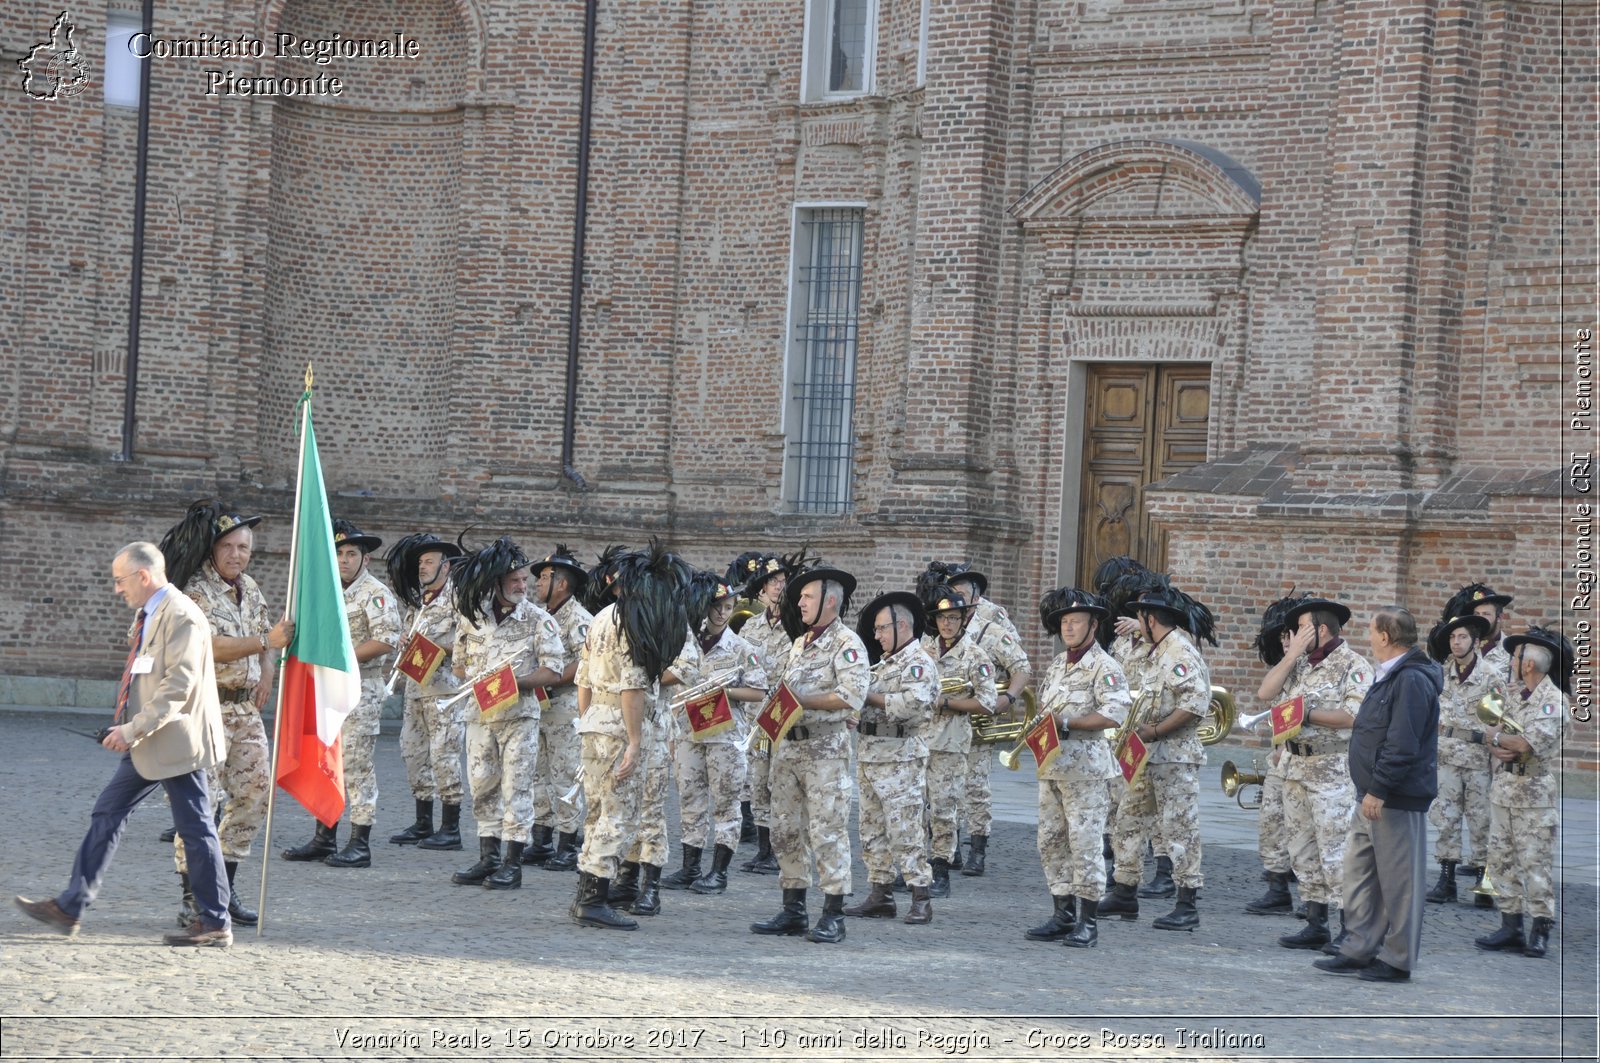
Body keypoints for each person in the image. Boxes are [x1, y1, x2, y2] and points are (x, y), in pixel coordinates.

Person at [15, 543, 234, 946]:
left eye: (120, 580)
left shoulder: (181, 615)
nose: (117, 589)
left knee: (197, 828)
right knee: (108, 812)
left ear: (144, 576)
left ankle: (216, 922)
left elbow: (178, 688)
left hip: (175, 743)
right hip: (151, 740)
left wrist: (131, 731)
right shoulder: (149, 614)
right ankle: (70, 907)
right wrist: (129, 728)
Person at [156, 501, 294, 928]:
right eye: (229, 547)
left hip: (243, 707)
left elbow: (266, 636)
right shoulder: (194, 591)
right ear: (212, 549)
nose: (237, 555)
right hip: (203, 707)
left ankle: (224, 889)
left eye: (244, 548)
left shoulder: (249, 588)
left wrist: (267, 672)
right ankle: (194, 897)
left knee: (254, 795)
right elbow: (209, 646)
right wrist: (262, 644)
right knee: (200, 805)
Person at [1313, 605, 1441, 983]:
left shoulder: (1411, 679)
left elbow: (1403, 743)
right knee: (1360, 876)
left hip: (1392, 799)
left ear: (1385, 637)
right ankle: (1359, 948)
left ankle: (1397, 960)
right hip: (1368, 795)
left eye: (1371, 631)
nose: (1368, 637)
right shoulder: (1390, 675)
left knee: (1399, 885)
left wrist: (1379, 790)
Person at [570, 544, 692, 929]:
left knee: (595, 812)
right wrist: (635, 740)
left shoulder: (601, 617)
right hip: (623, 723)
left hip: (596, 722)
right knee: (618, 815)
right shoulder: (635, 619)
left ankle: (585, 892)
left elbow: (583, 680)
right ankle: (595, 899)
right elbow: (633, 688)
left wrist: (587, 720)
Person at [750, 562, 870, 944]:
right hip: (788, 749)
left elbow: (851, 696)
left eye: (807, 596)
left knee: (827, 831)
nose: (798, 602)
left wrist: (803, 700)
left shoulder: (848, 644)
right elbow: (784, 692)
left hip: (825, 752)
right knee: (785, 829)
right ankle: (793, 909)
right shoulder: (800, 643)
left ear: (830, 602)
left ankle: (833, 913)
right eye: (799, 596)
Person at [448, 537, 566, 889]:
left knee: (517, 788)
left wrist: (518, 681)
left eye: (525, 581)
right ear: (497, 581)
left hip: (520, 716)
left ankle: (513, 863)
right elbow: (457, 666)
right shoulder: (472, 617)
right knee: (482, 785)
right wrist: (481, 679)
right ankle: (488, 858)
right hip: (479, 714)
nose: (522, 586)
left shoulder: (538, 620)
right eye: (514, 580)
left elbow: (554, 670)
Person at [281, 519, 400, 868]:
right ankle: (324, 836)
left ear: (366, 560)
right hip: (325, 691)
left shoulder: (374, 593)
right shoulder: (324, 592)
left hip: (360, 691)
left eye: (351, 553)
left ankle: (359, 842)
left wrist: (340, 658)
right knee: (325, 760)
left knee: (357, 765)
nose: (344, 560)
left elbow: (385, 640)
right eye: (339, 554)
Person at [1257, 595, 1373, 951]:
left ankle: (1350, 928)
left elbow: (1353, 717)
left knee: (1335, 851)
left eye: (1303, 628)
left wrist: (1303, 714)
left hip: (1331, 771)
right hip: (1294, 767)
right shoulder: (1300, 663)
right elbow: (1266, 694)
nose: (1295, 633)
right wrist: (1291, 655)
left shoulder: (1353, 665)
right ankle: (1315, 921)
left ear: (1321, 629)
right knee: (1302, 848)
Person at [1101, 583, 1211, 931]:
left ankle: (1186, 901)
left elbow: (1194, 705)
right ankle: (1124, 890)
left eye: (1139, 615)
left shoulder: (1179, 652)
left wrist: (1156, 730)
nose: (1136, 621)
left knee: (1179, 827)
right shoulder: (1153, 651)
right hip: (1143, 755)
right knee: (1127, 820)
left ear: (1150, 618)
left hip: (1172, 756)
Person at [1025, 588, 1131, 948]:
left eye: (1076, 622)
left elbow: (1114, 714)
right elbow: (1044, 707)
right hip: (1053, 767)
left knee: (1084, 844)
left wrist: (1067, 721)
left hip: (1086, 769)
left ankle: (1088, 921)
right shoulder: (1058, 664)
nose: (1068, 629)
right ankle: (1062, 914)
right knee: (1051, 843)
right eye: (1064, 623)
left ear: (1093, 625)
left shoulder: (1105, 667)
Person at [662, 575, 767, 895]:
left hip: (725, 734)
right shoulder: (684, 643)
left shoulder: (741, 648)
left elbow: (758, 691)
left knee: (726, 802)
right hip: (688, 732)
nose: (722, 613)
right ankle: (690, 867)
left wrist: (726, 691)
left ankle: (718, 872)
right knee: (690, 799)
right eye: (716, 607)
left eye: (728, 607)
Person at [1474, 626, 1573, 959]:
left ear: (1528, 665)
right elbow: (1496, 736)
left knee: (1534, 862)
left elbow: (1526, 744)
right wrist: (1500, 743)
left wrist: (1501, 742)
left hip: (1533, 794)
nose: (1512, 660)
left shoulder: (1554, 702)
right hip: (1504, 788)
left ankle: (1540, 927)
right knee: (1501, 859)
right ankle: (1510, 925)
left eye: (1516, 656)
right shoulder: (1515, 695)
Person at [845, 590, 939, 924]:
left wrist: (867, 697)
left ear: (902, 626)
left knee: (906, 830)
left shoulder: (918, 664)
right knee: (871, 829)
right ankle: (880, 893)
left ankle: (920, 895)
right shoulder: (881, 665)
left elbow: (912, 705)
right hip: (870, 755)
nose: (877, 635)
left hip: (900, 758)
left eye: (882, 628)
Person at [941, 563, 1032, 878]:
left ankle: (977, 849)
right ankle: (946, 848)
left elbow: (1021, 666)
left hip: (978, 720)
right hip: (945, 722)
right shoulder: (939, 628)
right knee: (942, 786)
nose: (958, 600)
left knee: (975, 785)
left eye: (963, 594)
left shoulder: (992, 630)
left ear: (976, 598)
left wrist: (1009, 698)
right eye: (953, 594)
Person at [383, 532, 466, 851]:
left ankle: (450, 828)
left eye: (429, 561)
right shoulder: (419, 603)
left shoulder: (458, 600)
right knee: (413, 752)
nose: (422, 566)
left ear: (445, 567)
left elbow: (470, 643)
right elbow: (410, 639)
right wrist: (406, 643)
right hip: (416, 689)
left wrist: (437, 648)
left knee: (444, 756)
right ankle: (423, 822)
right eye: (420, 562)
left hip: (445, 691)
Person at [918, 585, 998, 899]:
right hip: (920, 738)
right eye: (942, 618)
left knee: (943, 809)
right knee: (916, 808)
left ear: (963, 619)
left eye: (953, 617)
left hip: (950, 744)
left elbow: (988, 702)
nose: (947, 624)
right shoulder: (925, 649)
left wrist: (948, 703)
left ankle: (941, 871)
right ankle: (916, 868)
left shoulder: (975, 655)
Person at [1422, 612, 1503, 905]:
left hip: (1478, 757)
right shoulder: (1442, 674)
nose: (1456, 643)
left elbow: (1497, 720)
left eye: (1463, 637)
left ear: (1476, 642)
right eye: (1453, 638)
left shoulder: (1490, 675)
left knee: (1481, 820)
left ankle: (1484, 879)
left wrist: (1496, 760)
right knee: (1446, 817)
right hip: (1446, 757)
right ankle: (1447, 878)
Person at [528, 545, 594, 870]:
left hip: (566, 707)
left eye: (543, 578)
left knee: (565, 775)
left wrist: (550, 678)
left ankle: (568, 844)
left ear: (562, 584)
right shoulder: (542, 616)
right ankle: (541, 838)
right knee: (538, 773)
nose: (537, 584)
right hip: (540, 705)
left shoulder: (580, 619)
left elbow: (584, 661)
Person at [735, 552, 797, 875]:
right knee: (757, 783)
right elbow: (740, 666)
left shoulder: (795, 625)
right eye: (772, 582)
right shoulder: (750, 627)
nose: (778, 587)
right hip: (754, 717)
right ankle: (763, 850)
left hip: (782, 714)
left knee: (778, 783)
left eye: (783, 581)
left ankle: (781, 851)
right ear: (761, 589)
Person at [1243, 594, 1305, 916]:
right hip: (1281, 760)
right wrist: (1289, 656)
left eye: (1290, 636)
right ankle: (1276, 887)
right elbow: (1266, 693)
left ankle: (1315, 899)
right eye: (1281, 637)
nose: (1285, 642)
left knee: (1306, 832)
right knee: (1271, 825)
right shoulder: (1285, 669)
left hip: (1308, 762)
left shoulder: (1313, 669)